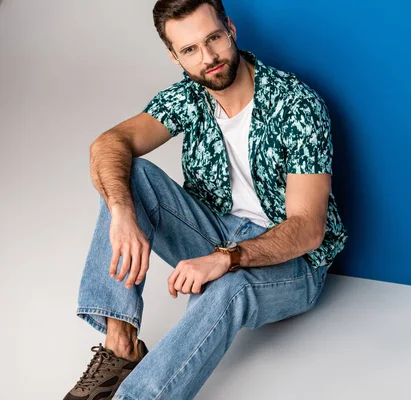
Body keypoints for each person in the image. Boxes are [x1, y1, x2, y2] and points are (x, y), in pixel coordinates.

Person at [63, 0, 347, 399]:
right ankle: (120, 346)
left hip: (291, 261)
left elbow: (307, 228)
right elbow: (109, 144)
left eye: (213, 38)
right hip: (213, 231)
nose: (208, 58)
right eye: (190, 49)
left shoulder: (296, 105)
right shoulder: (189, 96)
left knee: (230, 288)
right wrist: (122, 213)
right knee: (129, 175)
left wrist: (227, 258)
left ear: (230, 29)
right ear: (174, 56)